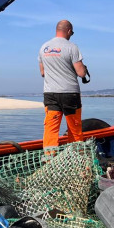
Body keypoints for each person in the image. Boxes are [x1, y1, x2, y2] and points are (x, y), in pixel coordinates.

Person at [38, 19, 89, 149]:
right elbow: (81, 73)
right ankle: (76, 157)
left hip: (50, 94)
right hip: (69, 94)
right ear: (68, 31)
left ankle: (49, 159)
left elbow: (42, 72)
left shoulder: (44, 48)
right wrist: (83, 68)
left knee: (51, 129)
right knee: (74, 128)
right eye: (72, 32)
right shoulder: (71, 47)